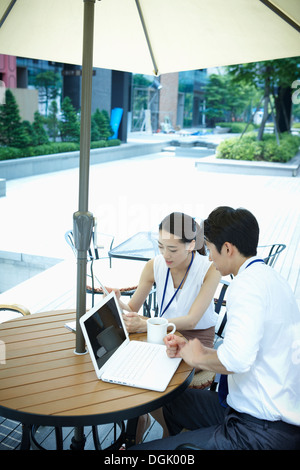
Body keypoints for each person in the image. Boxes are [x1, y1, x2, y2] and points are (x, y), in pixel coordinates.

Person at [131, 206, 300, 450]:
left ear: (228, 248)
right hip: (252, 409)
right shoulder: (269, 278)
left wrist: (198, 357)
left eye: (210, 249)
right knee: (166, 400)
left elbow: (237, 361)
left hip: (259, 429)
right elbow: (241, 353)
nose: (209, 257)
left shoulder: (245, 286)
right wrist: (188, 348)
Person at [118, 212, 221, 348]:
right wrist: (116, 302)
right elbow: (131, 308)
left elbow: (192, 321)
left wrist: (145, 325)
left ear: (190, 245)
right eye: (161, 247)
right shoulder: (153, 266)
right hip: (163, 332)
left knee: (165, 364)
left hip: (197, 337)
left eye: (172, 250)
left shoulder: (211, 269)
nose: (165, 255)